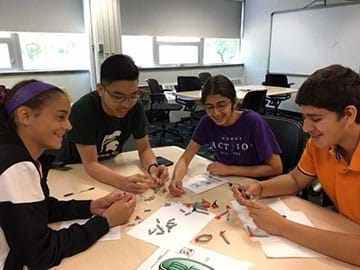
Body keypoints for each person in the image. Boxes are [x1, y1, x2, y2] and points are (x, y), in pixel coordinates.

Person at [0, 80, 136, 270]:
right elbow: (41, 254)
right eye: (60, 117)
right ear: (25, 116)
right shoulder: (15, 165)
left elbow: (39, 209)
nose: (69, 126)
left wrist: (91, 207)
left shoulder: (20, 154)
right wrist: (105, 222)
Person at [233, 65, 360, 266]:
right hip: (344, 228)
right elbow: (295, 180)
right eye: (305, 118)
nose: (307, 128)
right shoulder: (319, 144)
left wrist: (282, 226)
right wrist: (261, 188)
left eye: (316, 119)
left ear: (349, 115)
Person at [58, 54, 169, 194]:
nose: (126, 104)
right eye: (118, 97)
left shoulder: (135, 107)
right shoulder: (83, 110)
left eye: (133, 96)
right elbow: (91, 164)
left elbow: (145, 148)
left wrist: (153, 168)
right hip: (76, 169)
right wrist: (122, 182)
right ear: (100, 89)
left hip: (111, 166)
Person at [169, 75, 282, 196]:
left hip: (255, 185)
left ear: (234, 102)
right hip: (225, 182)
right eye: (209, 107)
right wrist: (176, 179)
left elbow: (276, 168)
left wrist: (230, 169)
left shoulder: (253, 122)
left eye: (221, 105)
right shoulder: (207, 122)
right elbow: (185, 158)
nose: (215, 113)